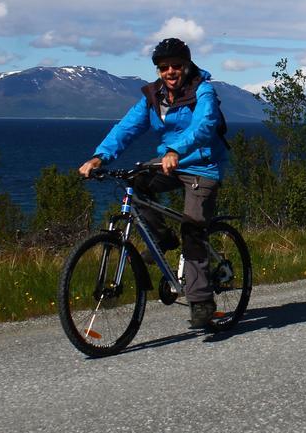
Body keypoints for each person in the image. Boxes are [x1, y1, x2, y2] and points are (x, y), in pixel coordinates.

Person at [79, 37, 228, 329]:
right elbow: (126, 128)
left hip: (202, 164)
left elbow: (206, 124)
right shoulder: (153, 96)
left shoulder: (203, 91)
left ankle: (201, 300)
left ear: (186, 65)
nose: (170, 72)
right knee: (135, 184)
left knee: (193, 228)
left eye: (176, 66)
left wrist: (176, 150)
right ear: (158, 70)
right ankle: (162, 238)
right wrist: (99, 157)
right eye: (164, 68)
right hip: (168, 162)